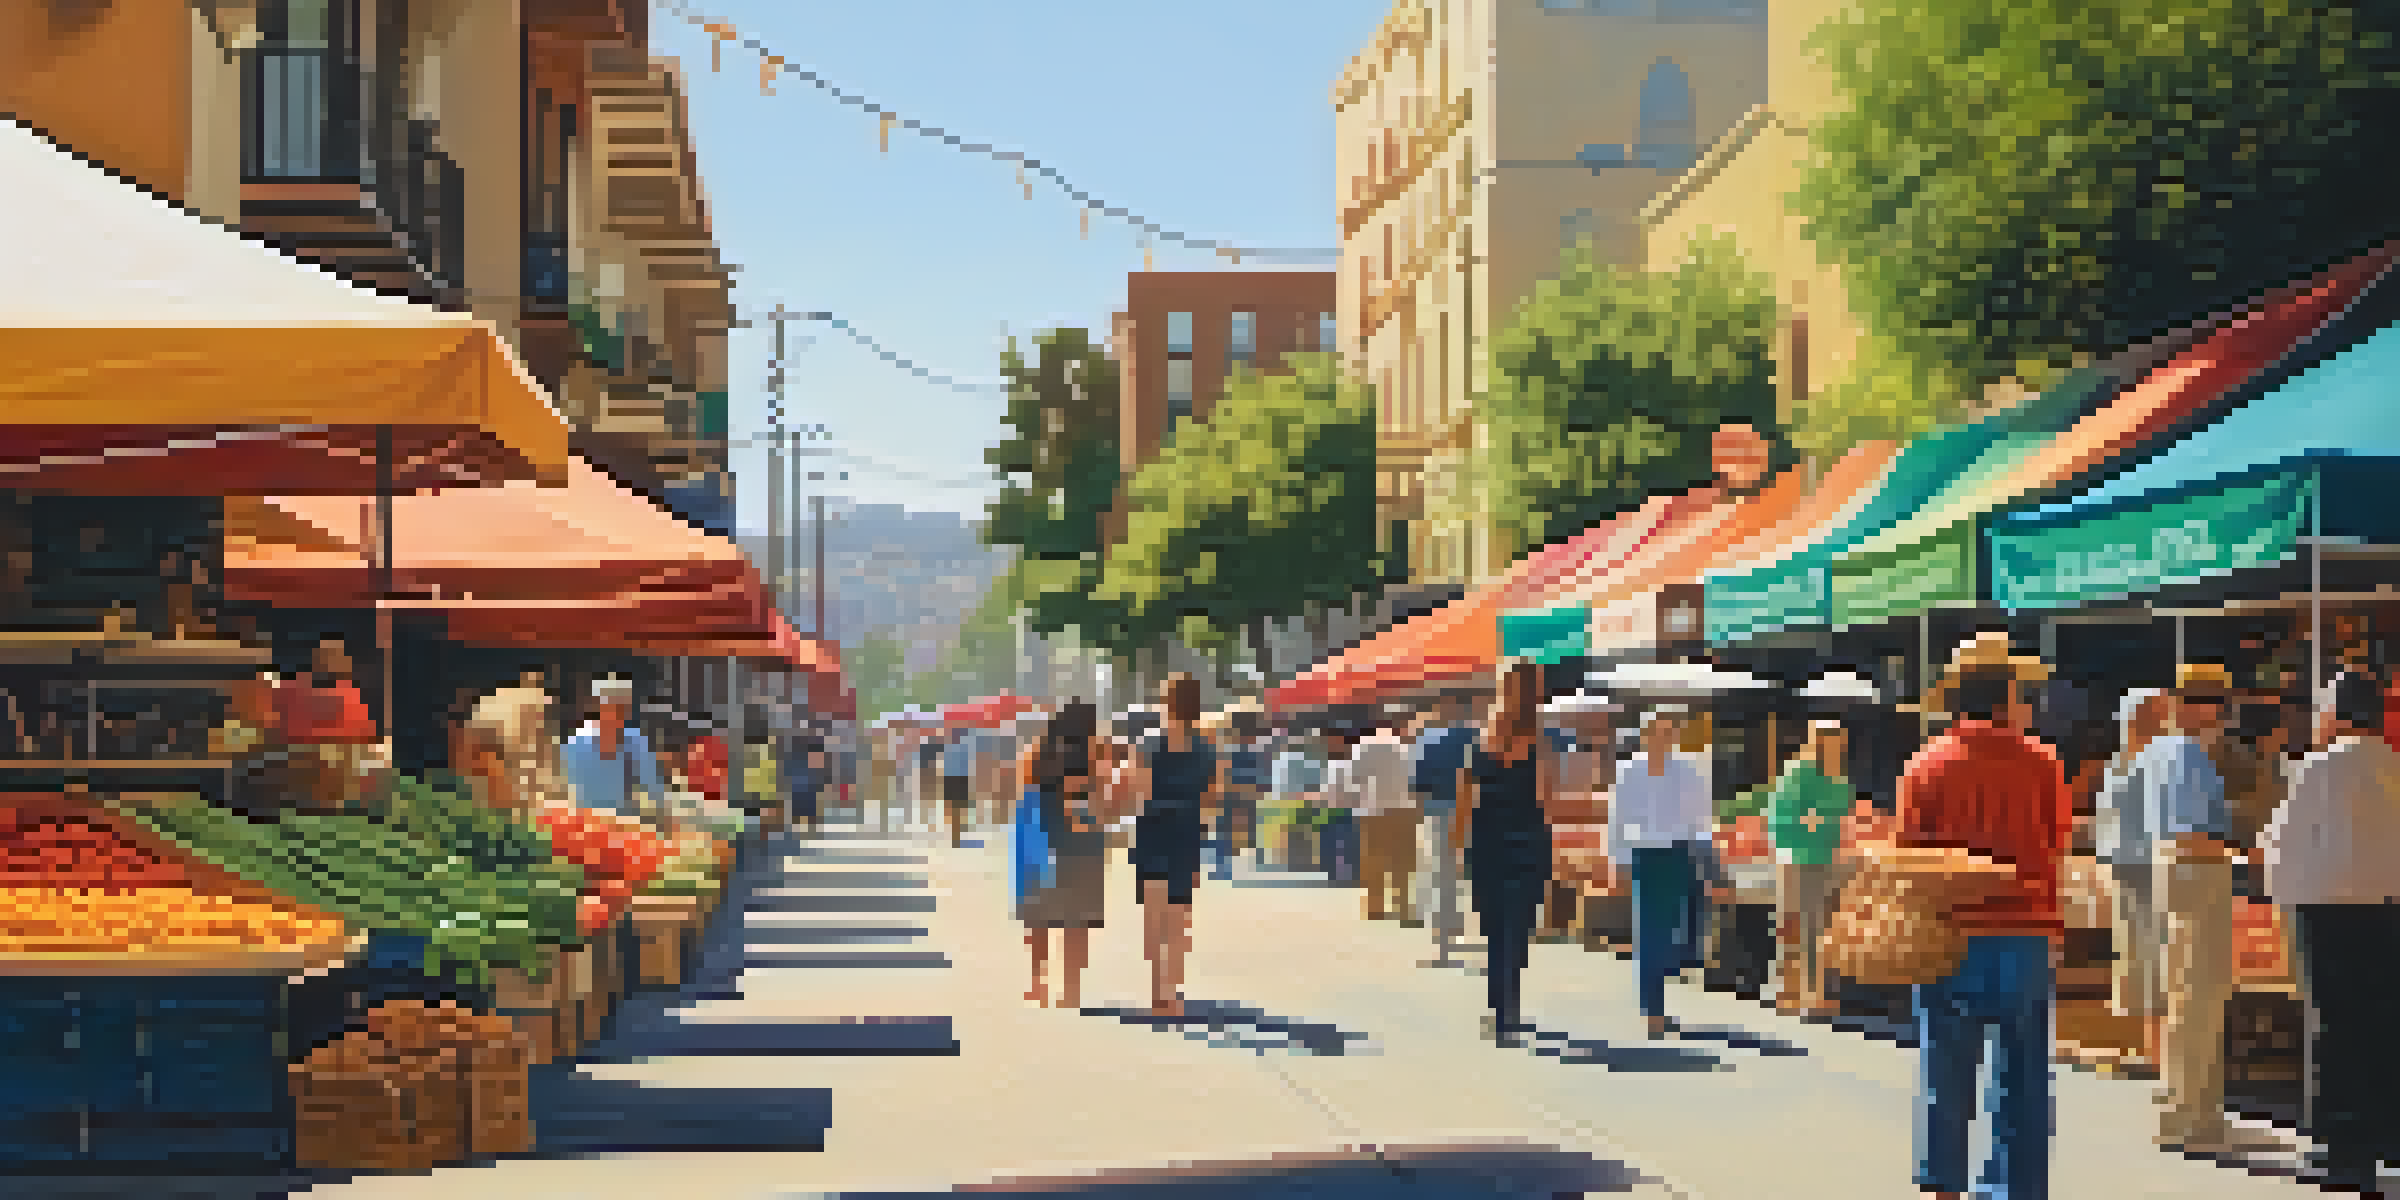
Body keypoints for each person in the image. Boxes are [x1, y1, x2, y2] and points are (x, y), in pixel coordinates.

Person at [1898, 633, 2068, 1200]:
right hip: (2024, 936)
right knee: (2021, 1074)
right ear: (2004, 700)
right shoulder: (2042, 762)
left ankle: (1942, 1181)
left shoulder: (1928, 763)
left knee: (1945, 1066)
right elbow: (2056, 843)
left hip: (1949, 934)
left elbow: (1907, 853)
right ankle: (2010, 1186)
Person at [2263, 672, 2400, 1194]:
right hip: (2386, 907)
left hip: (2330, 909)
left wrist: (2275, 885)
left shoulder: (2322, 762)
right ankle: (2388, 1135)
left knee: (2336, 1024)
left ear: (2336, 712)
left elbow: (2288, 838)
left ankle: (2344, 1149)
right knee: (2382, 1021)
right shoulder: (2390, 760)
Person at [2144, 662, 2249, 1153]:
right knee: (2197, 999)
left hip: (2178, 875)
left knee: (2187, 996)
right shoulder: (2187, 754)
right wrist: (2246, 855)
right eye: (2215, 702)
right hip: (2194, 874)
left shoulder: (2168, 750)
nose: (2220, 712)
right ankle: (2190, 1118)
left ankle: (2189, 1111)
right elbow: (2188, 837)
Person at [1453, 661, 1558, 1046]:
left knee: (1493, 927)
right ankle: (1508, 1008)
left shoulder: (1484, 737)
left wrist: (1456, 842)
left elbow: (1465, 795)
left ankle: (1499, 1006)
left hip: (1485, 840)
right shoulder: (1542, 739)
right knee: (1518, 927)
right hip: (1528, 840)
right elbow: (1546, 798)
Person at [1607, 705, 1714, 1039]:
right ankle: (1652, 1008)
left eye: (1668, 731)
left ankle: (1656, 1000)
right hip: (1644, 855)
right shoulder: (1629, 771)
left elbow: (1700, 819)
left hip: (1677, 854)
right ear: (1644, 735)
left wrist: (1707, 860)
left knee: (1672, 932)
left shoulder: (1687, 770)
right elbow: (1617, 818)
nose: (1661, 737)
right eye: (1655, 731)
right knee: (1649, 931)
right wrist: (1617, 861)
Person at [1130, 674, 1221, 1019]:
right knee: (1179, 914)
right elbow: (1212, 799)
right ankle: (1174, 990)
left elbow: (1139, 792)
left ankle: (1157, 991)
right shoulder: (1207, 748)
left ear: (1164, 703)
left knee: (1154, 914)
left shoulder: (1147, 743)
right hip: (1187, 832)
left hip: (1153, 829)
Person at [2093, 687, 2171, 1064]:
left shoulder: (2120, 766)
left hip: (2133, 876)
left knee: (2147, 975)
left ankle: (2155, 1055)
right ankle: (2159, 1058)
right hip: (2149, 879)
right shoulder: (2145, 767)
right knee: (2154, 975)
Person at [1018, 700, 1111, 1009]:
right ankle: (1071, 988)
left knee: (1039, 915)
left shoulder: (1037, 752)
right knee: (1077, 918)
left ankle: (1037, 983)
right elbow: (1103, 795)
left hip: (1042, 837)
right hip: (1083, 843)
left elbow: (1024, 792)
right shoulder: (1095, 753)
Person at [1766, 719, 1857, 1018]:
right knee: (1800, 927)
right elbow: (1781, 817)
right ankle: (1797, 994)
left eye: (1839, 741)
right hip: (1798, 859)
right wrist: (1808, 820)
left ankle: (1807, 993)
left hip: (1828, 857)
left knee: (1821, 927)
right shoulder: (1798, 773)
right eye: (1829, 740)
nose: (1835, 746)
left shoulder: (1838, 776)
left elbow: (1844, 813)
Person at [1411, 693, 1479, 967]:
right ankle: (1464, 930)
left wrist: (1419, 815)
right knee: (1473, 875)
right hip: (1475, 811)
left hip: (1439, 811)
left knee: (1443, 875)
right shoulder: (1480, 737)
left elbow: (1417, 782)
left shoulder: (1429, 738)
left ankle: (1444, 941)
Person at [561, 677, 669, 825]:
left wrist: (655, 817)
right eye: (611, 707)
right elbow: (566, 793)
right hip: (584, 824)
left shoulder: (635, 742)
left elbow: (655, 788)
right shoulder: (578, 744)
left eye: (623, 708)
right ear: (598, 707)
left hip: (626, 823)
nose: (618, 714)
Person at [1216, 710, 1269, 880]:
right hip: (1237, 797)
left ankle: (1225, 867)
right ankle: (1225, 867)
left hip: (1239, 797)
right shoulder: (1243, 751)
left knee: (1234, 832)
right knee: (1232, 832)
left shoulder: (1233, 750)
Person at [940, 729, 975, 847]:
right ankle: (955, 838)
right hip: (957, 779)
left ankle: (955, 836)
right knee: (957, 808)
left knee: (957, 808)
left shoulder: (951, 745)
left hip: (954, 779)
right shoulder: (963, 746)